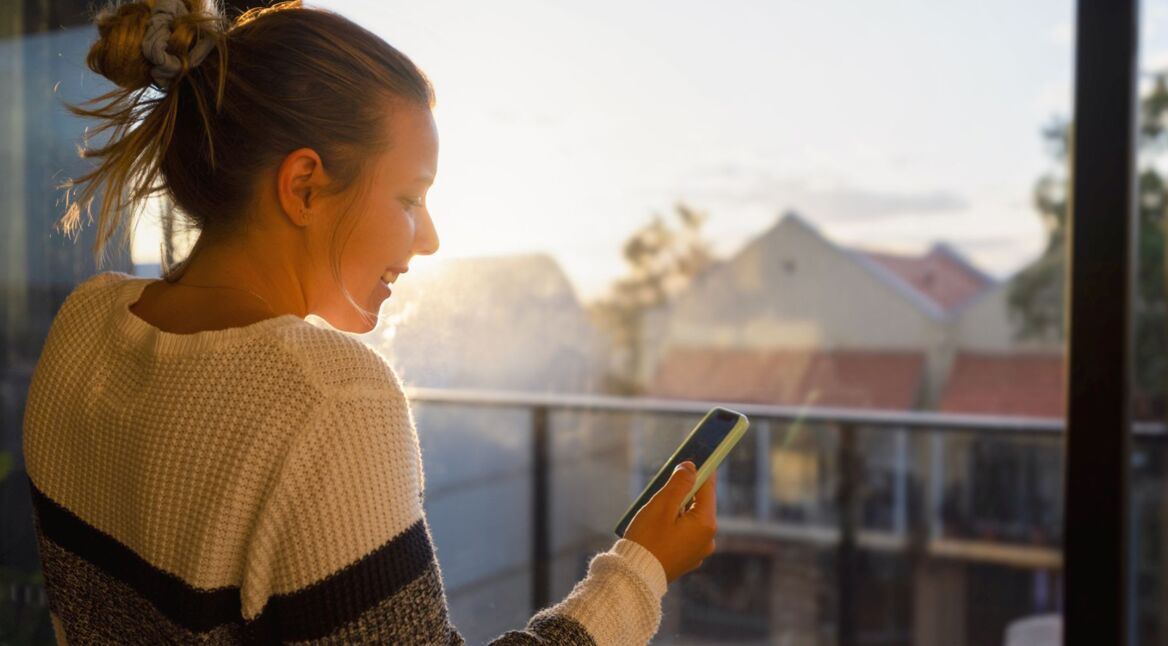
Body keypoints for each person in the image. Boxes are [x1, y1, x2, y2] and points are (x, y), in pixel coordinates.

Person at [21, 1, 718, 644]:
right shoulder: (329, 399)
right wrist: (639, 572)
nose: (430, 239)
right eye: (411, 198)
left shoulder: (82, 325)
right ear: (304, 187)